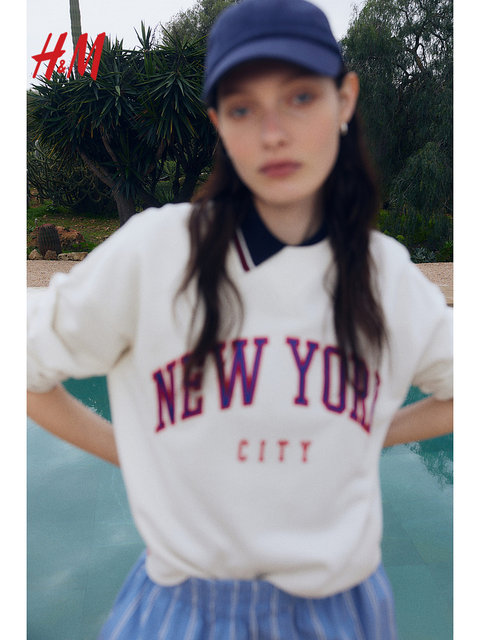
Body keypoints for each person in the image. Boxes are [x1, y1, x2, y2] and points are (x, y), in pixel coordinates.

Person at [27, 0, 453, 637]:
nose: (272, 133)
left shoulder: (384, 275)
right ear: (217, 123)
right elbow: (27, 371)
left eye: (301, 97)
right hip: (182, 610)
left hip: (342, 610)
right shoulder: (153, 254)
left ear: (344, 100)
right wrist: (135, 455)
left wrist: (369, 434)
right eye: (243, 108)